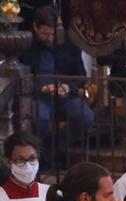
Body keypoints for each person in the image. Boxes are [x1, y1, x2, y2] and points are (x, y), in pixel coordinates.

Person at [21, 6, 94, 152]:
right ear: (35, 27)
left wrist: (67, 86)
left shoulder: (68, 43)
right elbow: (21, 77)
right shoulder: (27, 45)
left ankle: (52, 148)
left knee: (86, 118)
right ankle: (45, 157)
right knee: (40, 119)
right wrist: (42, 88)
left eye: (52, 34)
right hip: (39, 97)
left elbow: (81, 76)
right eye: (44, 34)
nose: (50, 38)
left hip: (65, 96)